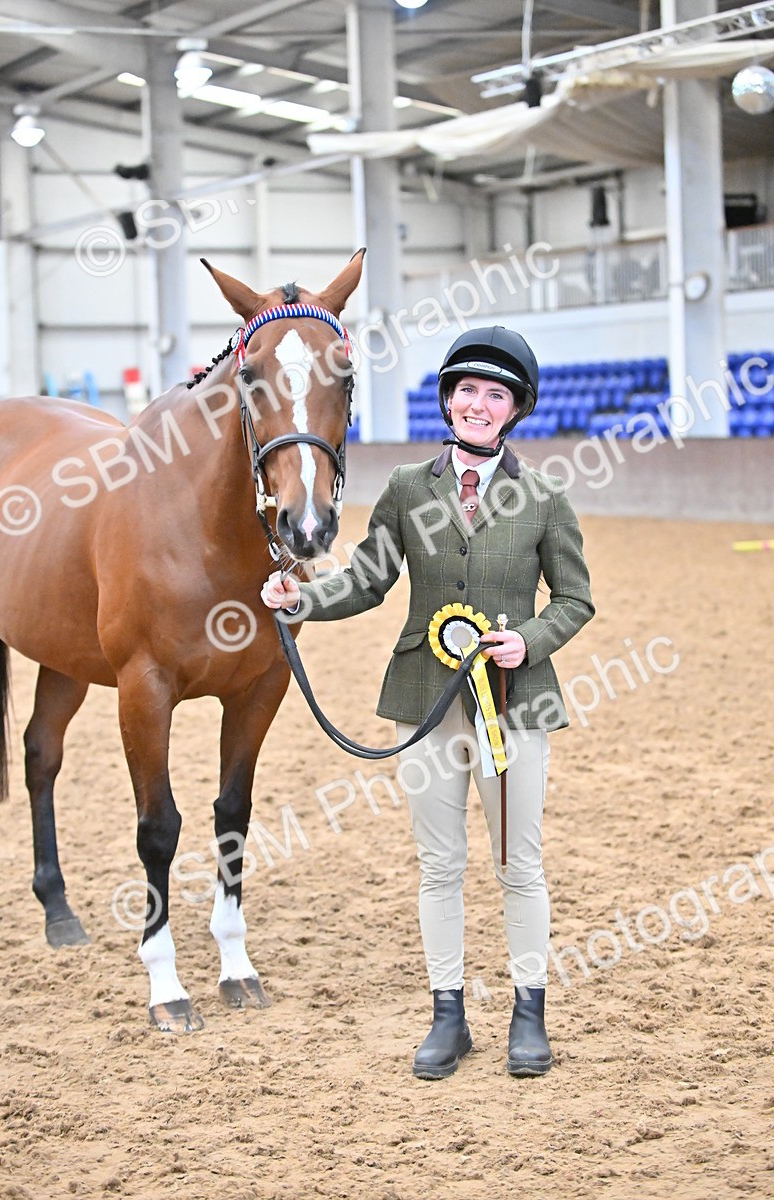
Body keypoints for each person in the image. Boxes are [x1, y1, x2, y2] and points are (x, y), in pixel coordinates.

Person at [262, 326, 594, 1080]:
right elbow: (370, 580)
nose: (478, 405)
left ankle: (528, 1013)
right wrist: (302, 599)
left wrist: (531, 642)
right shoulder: (411, 488)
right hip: (426, 701)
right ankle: (449, 1016)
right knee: (440, 866)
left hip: (514, 703)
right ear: (448, 401)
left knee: (519, 863)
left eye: (495, 394)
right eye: (466, 391)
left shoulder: (544, 496)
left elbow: (575, 598)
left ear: (515, 410)